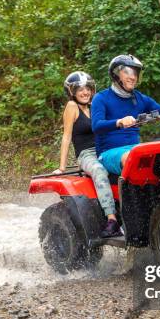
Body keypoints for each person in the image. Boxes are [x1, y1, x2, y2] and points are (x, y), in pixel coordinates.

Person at [53, 71, 122, 237]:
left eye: (88, 88)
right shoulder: (72, 107)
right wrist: (62, 168)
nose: (85, 92)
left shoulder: (95, 106)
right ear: (72, 92)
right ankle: (111, 219)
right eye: (80, 89)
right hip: (86, 154)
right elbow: (67, 136)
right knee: (99, 170)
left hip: (104, 150)